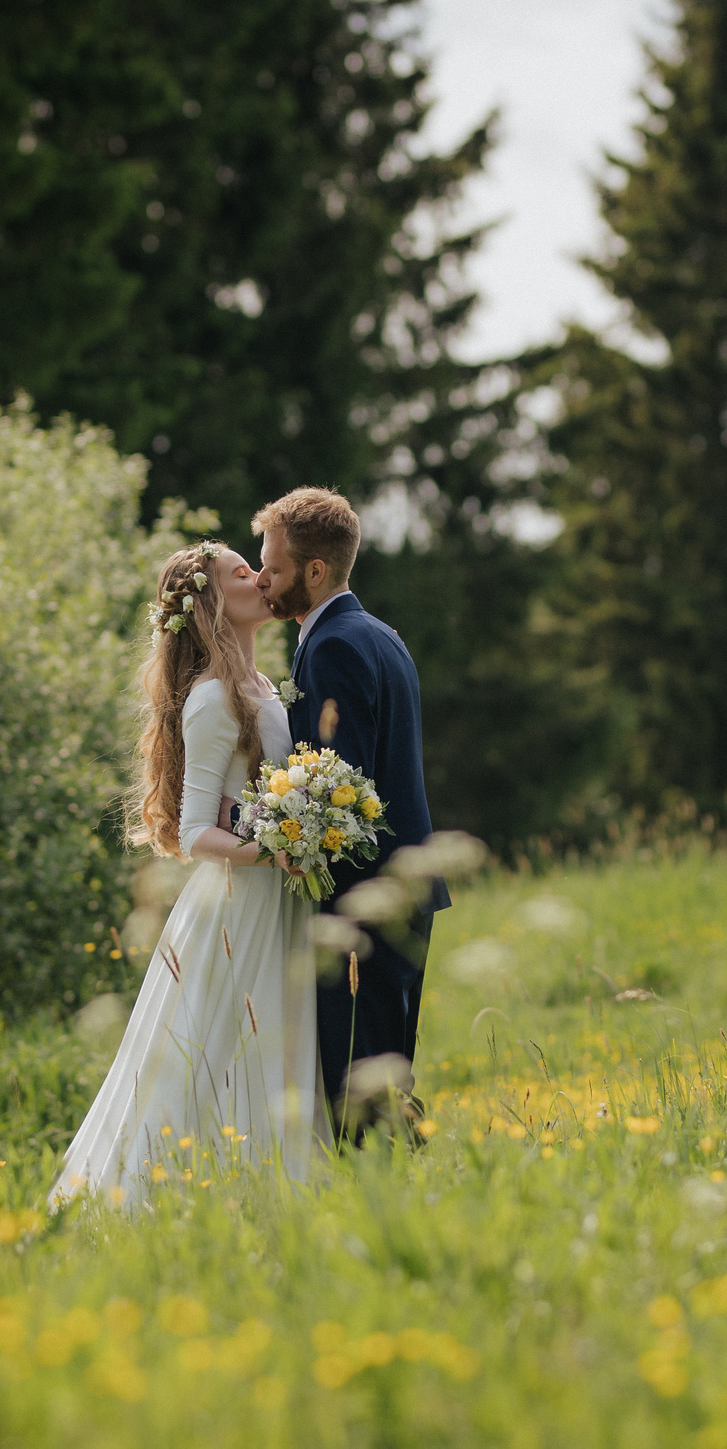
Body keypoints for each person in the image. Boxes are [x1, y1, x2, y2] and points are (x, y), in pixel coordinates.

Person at [49, 542, 322, 1210]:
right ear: (211, 604)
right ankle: (174, 1200)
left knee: (275, 1048)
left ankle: (280, 1193)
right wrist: (279, 850)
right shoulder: (210, 699)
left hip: (280, 899)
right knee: (218, 1056)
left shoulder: (263, 685)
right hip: (239, 904)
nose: (260, 578)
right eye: (240, 573)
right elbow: (195, 831)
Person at [252, 487, 449, 1136]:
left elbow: (341, 784)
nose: (262, 579)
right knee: (385, 1070)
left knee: (357, 1082)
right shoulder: (379, 634)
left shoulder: (333, 644)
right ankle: (397, 1183)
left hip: (364, 895)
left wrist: (279, 837)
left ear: (314, 571)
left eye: (273, 568)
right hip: (401, 885)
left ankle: (377, 1191)